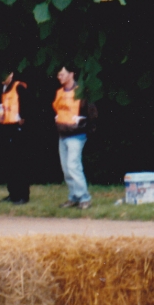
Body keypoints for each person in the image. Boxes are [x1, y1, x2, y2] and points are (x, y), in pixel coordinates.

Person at [52, 65, 96, 209]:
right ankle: (74, 197)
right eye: (58, 75)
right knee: (66, 168)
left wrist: (86, 129)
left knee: (73, 166)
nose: (59, 77)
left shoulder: (81, 92)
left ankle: (84, 198)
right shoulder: (59, 92)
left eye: (62, 74)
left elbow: (92, 113)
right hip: (63, 134)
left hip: (77, 135)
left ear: (71, 74)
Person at [0, 70, 30, 205]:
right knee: (9, 162)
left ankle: (23, 195)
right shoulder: (3, 89)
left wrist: (23, 118)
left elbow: (28, 105)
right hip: (7, 127)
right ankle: (12, 193)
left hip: (18, 128)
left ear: (10, 74)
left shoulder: (19, 87)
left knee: (20, 162)